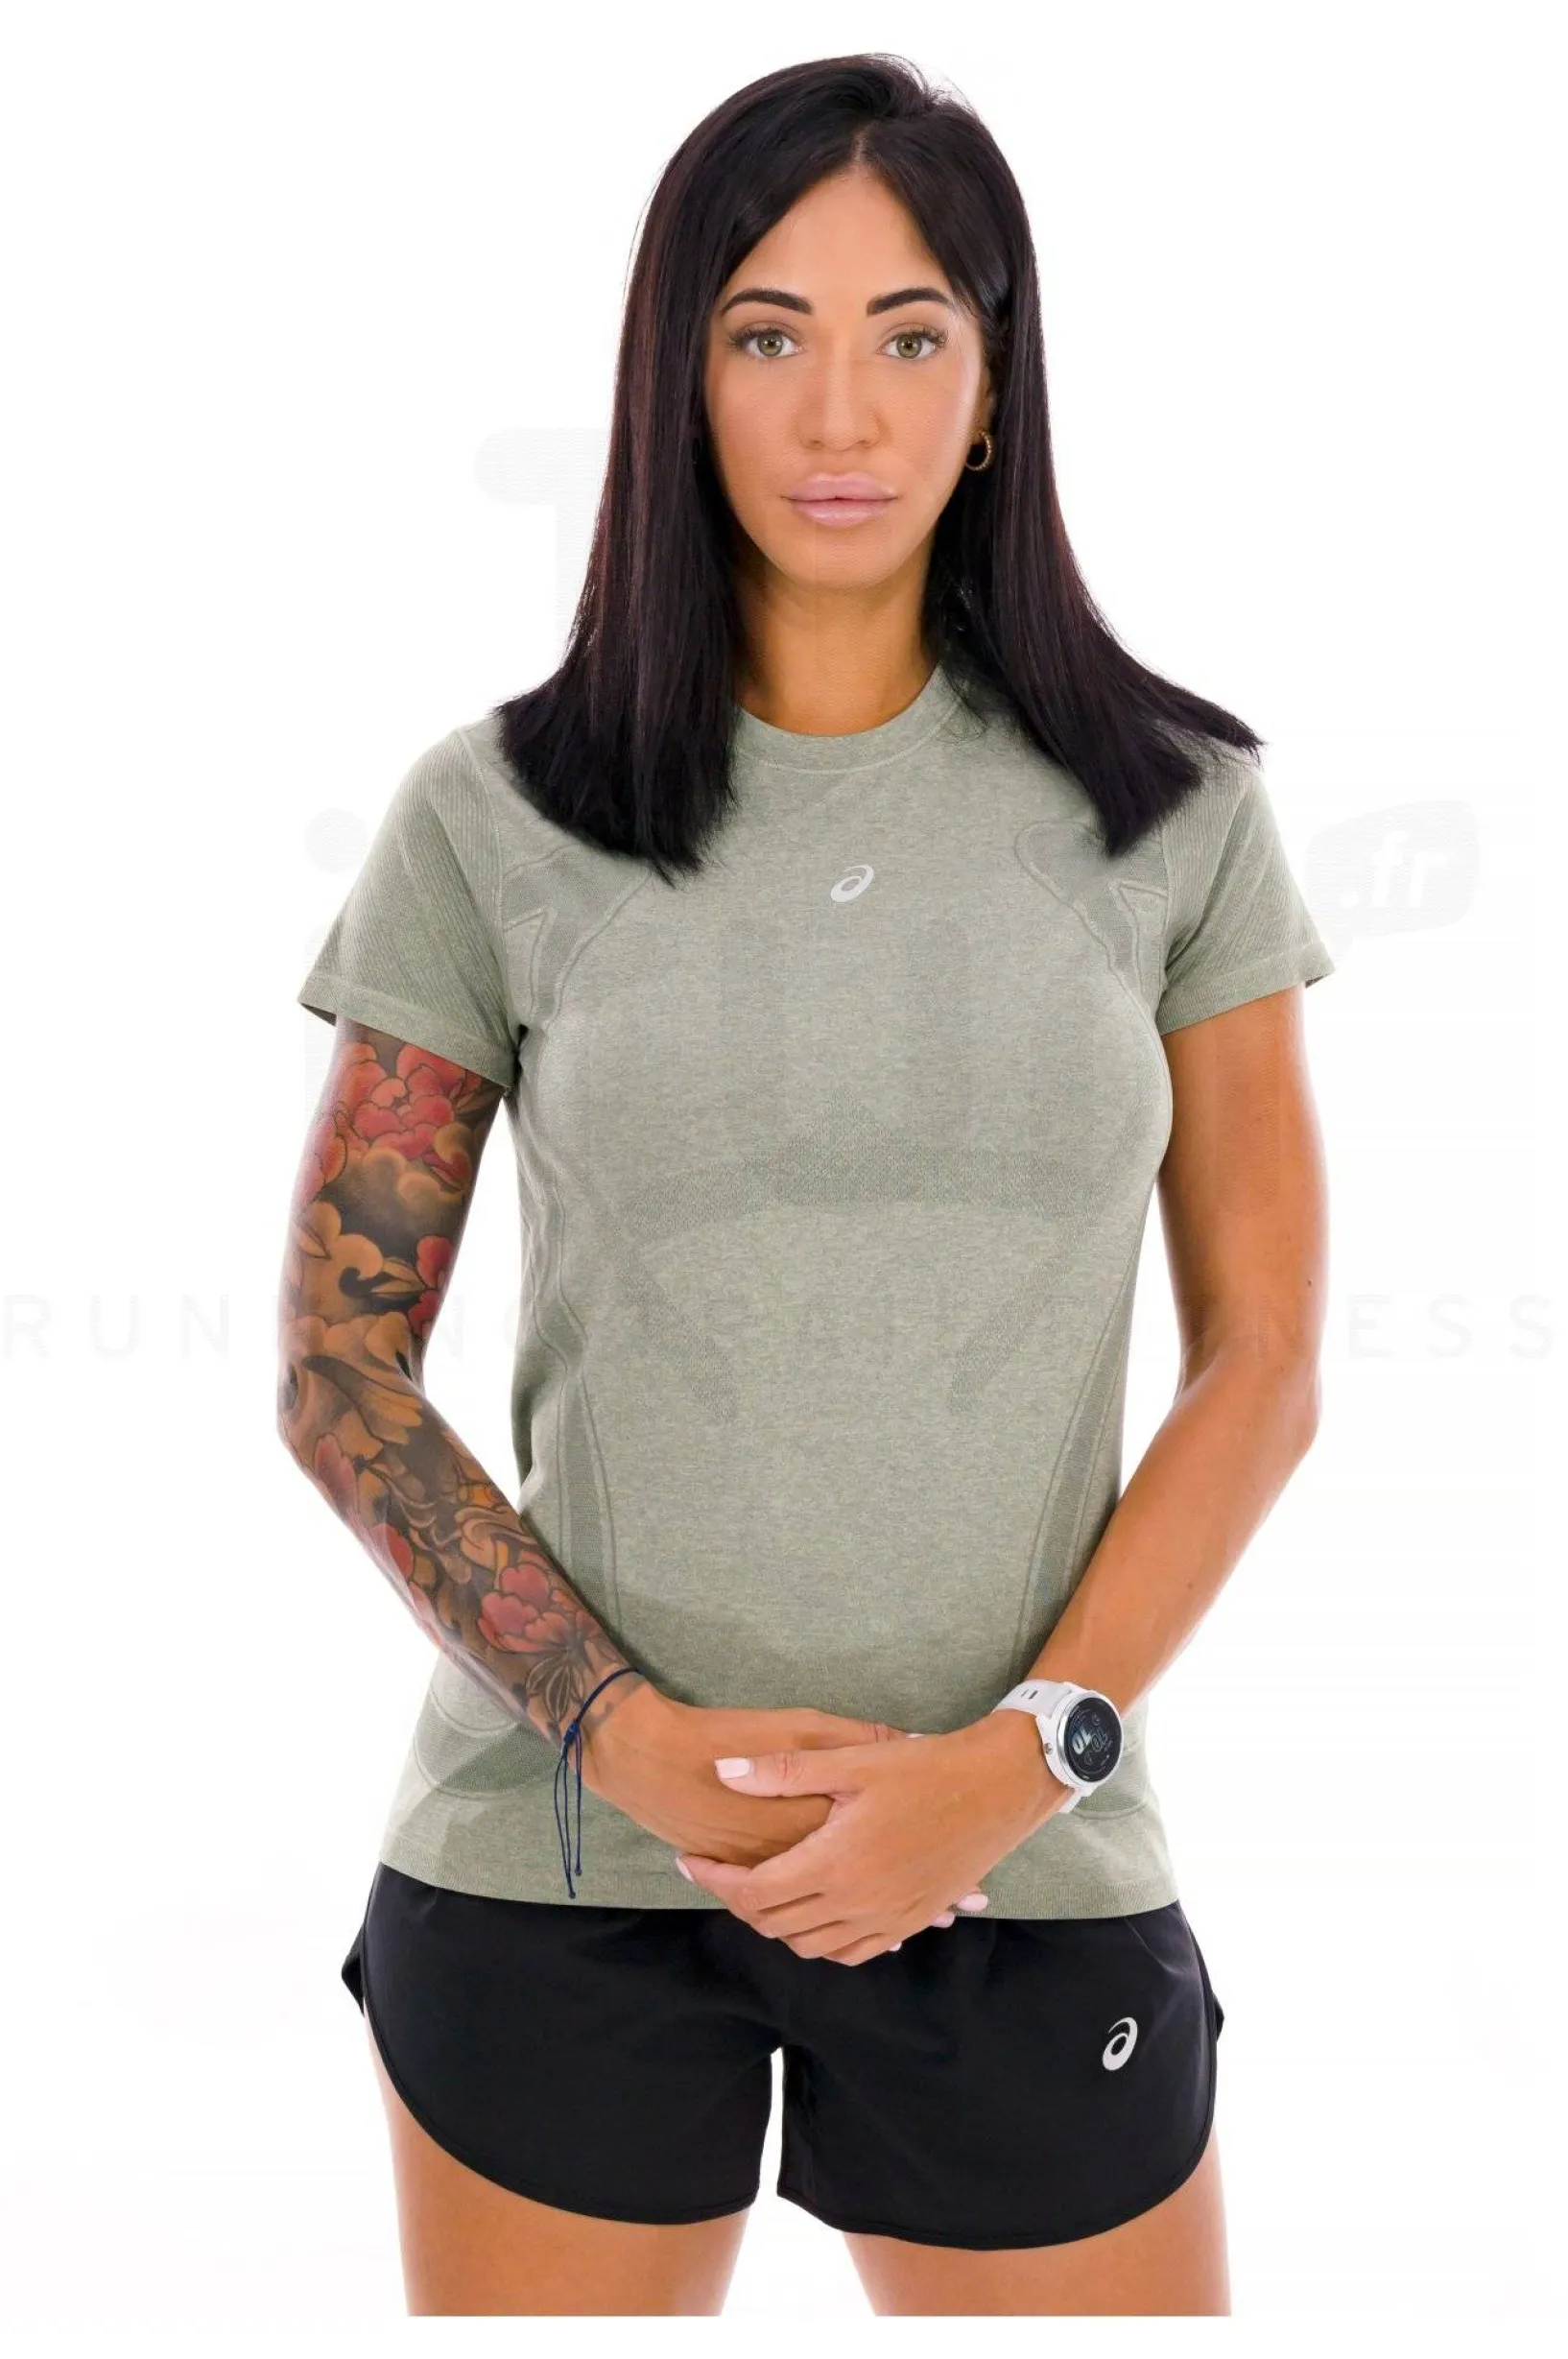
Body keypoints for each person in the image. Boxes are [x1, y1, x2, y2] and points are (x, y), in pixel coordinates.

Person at [276, 54, 1333, 2318]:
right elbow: (341, 1361)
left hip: (1023, 1865)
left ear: (994, 378)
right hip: (559, 1866)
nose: (837, 411)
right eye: (765, 333)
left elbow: (1261, 1359)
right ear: (677, 374)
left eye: (906, 333)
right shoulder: (493, 811)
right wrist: (626, 1739)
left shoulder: (1177, 808)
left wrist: (1024, 1760)